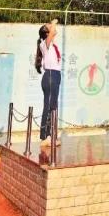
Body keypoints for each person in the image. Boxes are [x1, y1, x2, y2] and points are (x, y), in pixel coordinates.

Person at [36, 20, 62, 149]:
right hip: (50, 76)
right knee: (49, 106)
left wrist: (51, 26)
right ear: (46, 33)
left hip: (55, 75)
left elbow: (53, 33)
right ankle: (45, 136)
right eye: (49, 27)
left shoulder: (51, 44)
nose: (52, 27)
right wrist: (53, 22)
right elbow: (52, 32)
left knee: (53, 106)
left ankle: (51, 135)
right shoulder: (44, 43)